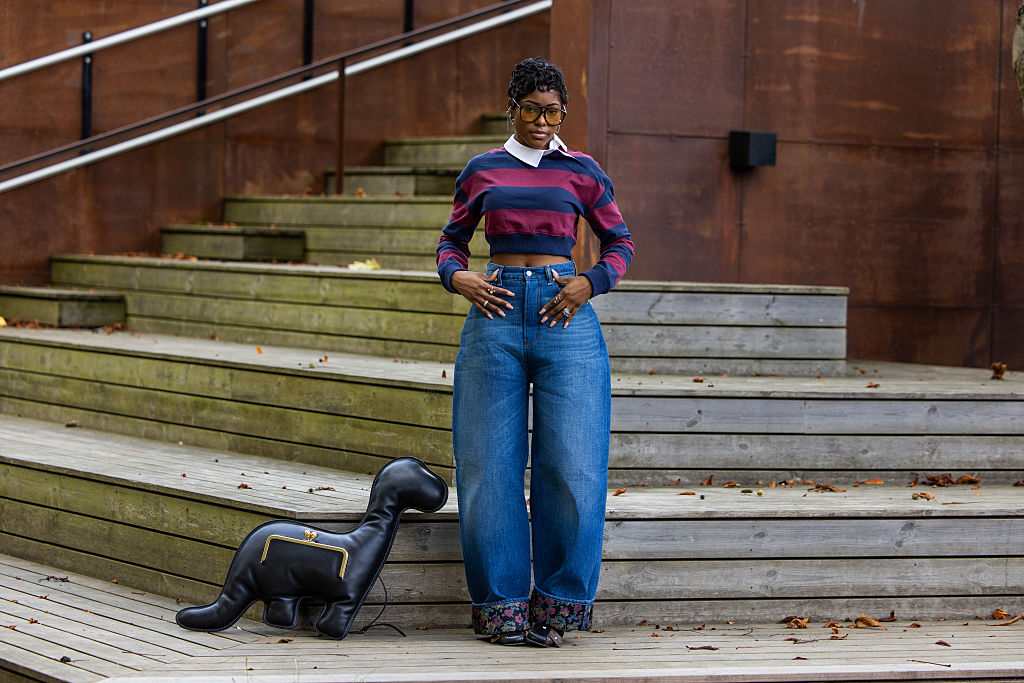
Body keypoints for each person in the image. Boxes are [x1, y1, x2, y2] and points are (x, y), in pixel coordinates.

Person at [436, 57, 634, 647]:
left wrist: (590, 282)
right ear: (512, 108)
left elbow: (620, 241)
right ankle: (501, 612)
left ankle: (559, 607)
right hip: (493, 316)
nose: (543, 122)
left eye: (553, 111)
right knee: (486, 470)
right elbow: (451, 241)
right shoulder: (482, 171)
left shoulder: (582, 171)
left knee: (572, 466)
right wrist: (458, 278)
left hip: (564, 316)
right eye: (532, 110)